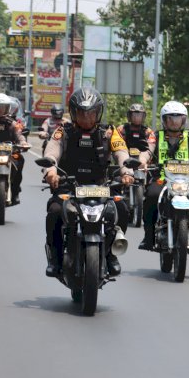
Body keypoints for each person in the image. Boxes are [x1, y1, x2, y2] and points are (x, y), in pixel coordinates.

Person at [42, 87, 133, 278]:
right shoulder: (62, 131)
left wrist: (126, 172)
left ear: (98, 113)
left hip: (101, 186)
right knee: (55, 212)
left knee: (121, 209)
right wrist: (51, 170)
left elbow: (122, 152)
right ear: (74, 113)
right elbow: (52, 151)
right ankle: (55, 259)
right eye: (82, 114)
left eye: (91, 113)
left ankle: (110, 255)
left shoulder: (109, 132)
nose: (87, 118)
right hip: (69, 185)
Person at [137, 100, 189, 255]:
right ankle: (148, 236)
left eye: (178, 119)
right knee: (151, 195)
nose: (174, 123)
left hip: (185, 181)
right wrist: (142, 161)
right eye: (171, 119)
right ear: (164, 120)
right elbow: (147, 151)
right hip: (162, 180)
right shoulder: (156, 136)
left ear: (184, 120)